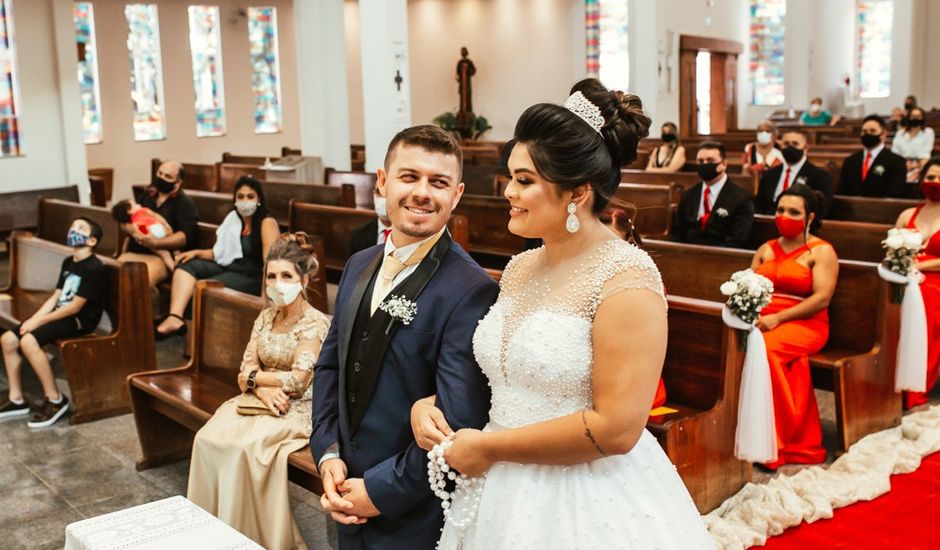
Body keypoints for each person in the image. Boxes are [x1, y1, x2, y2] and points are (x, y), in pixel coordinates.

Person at [410, 79, 713, 548]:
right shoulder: (521, 267)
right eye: (511, 176)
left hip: (584, 496)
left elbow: (617, 429)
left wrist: (489, 448)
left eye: (525, 180)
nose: (508, 191)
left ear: (576, 192)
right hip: (499, 486)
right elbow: (506, 377)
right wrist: (432, 404)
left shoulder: (627, 279)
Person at [311, 125, 499, 549]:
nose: (422, 193)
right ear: (382, 181)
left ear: (457, 194)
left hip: (412, 511)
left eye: (439, 182)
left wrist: (379, 491)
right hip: (341, 487)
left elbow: (457, 419)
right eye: (409, 176)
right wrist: (328, 454)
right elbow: (330, 365)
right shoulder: (359, 264)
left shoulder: (471, 290)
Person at [188, 232, 331, 550]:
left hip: (297, 408)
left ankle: (250, 537)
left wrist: (256, 379)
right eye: (271, 276)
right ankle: (213, 531)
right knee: (207, 440)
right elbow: (243, 373)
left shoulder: (315, 324)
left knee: (246, 450)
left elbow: (298, 381)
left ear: (304, 279)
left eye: (286, 276)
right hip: (261, 401)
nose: (277, 283)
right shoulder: (265, 317)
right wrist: (260, 388)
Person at [750, 184, 838, 469]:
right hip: (763, 319)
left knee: (766, 350)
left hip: (805, 323)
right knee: (740, 345)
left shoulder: (821, 251)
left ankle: (776, 441)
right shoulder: (766, 248)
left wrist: (779, 318)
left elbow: (822, 298)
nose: (784, 215)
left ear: (810, 217)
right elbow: (749, 286)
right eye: (780, 210)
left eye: (793, 212)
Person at [0, 218, 109, 428]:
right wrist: (33, 319)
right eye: (73, 226)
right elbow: (55, 297)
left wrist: (39, 322)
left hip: (79, 320)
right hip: (60, 314)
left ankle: (56, 400)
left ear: (92, 240)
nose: (73, 230)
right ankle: (16, 399)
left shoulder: (95, 269)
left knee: (29, 341)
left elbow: (75, 307)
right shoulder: (69, 262)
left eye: (80, 228)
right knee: (8, 339)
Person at [154, 176, 279, 339]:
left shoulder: (266, 222)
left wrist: (267, 298)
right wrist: (196, 252)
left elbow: (270, 263)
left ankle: (198, 341)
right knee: (187, 265)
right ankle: (175, 318)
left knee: (202, 288)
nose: (245, 201)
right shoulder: (233, 220)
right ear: (235, 199)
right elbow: (219, 253)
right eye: (240, 197)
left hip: (251, 275)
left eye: (250, 197)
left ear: (259, 199)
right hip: (229, 266)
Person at [895, 157, 940, 409]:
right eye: (930, 177)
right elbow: (892, 252)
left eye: (939, 178)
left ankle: (915, 383)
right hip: (906, 276)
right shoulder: (908, 214)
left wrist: (920, 266)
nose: (935, 182)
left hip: (935, 280)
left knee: (926, 299)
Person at [118, 160, 199, 286]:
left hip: (161, 257)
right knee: (112, 275)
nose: (161, 178)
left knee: (140, 281)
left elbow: (184, 237)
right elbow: (125, 221)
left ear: (178, 182)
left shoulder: (185, 204)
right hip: (135, 251)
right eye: (160, 173)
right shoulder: (146, 196)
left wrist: (155, 243)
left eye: (168, 177)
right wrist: (135, 232)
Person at [671, 141, 754, 248]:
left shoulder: (741, 199)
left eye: (710, 160)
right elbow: (677, 234)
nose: (705, 164)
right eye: (701, 161)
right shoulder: (688, 195)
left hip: (722, 258)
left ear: (724, 164)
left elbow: (737, 240)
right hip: (687, 256)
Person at [755, 130, 834, 216]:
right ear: (781, 146)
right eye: (786, 144)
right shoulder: (769, 175)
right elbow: (759, 205)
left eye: (795, 144)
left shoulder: (821, 176)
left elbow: (821, 209)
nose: (790, 147)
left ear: (805, 148)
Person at [839, 114, 907, 198]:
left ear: (883, 134)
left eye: (872, 131)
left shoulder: (896, 162)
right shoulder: (850, 161)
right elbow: (842, 192)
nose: (868, 134)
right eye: (864, 131)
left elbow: (895, 193)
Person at [111, 198, 176, 273]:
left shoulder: (132, 223)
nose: (139, 204)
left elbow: (141, 232)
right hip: (158, 229)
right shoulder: (144, 210)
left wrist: (147, 235)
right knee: (170, 249)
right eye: (135, 204)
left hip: (151, 235)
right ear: (129, 211)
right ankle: (175, 261)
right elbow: (156, 218)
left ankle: (174, 270)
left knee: (165, 255)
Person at [891, 106, 936, 185]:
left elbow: (926, 152)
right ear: (909, 117)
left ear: (923, 118)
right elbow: (895, 152)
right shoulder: (900, 133)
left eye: (918, 116)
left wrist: (915, 165)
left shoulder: (928, 132)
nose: (915, 119)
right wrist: (903, 164)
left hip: (920, 164)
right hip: (901, 163)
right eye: (913, 116)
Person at [349, 188, 393, 255]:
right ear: (374, 195)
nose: (384, 199)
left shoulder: (411, 237)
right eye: (379, 193)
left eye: (389, 194)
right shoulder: (358, 235)